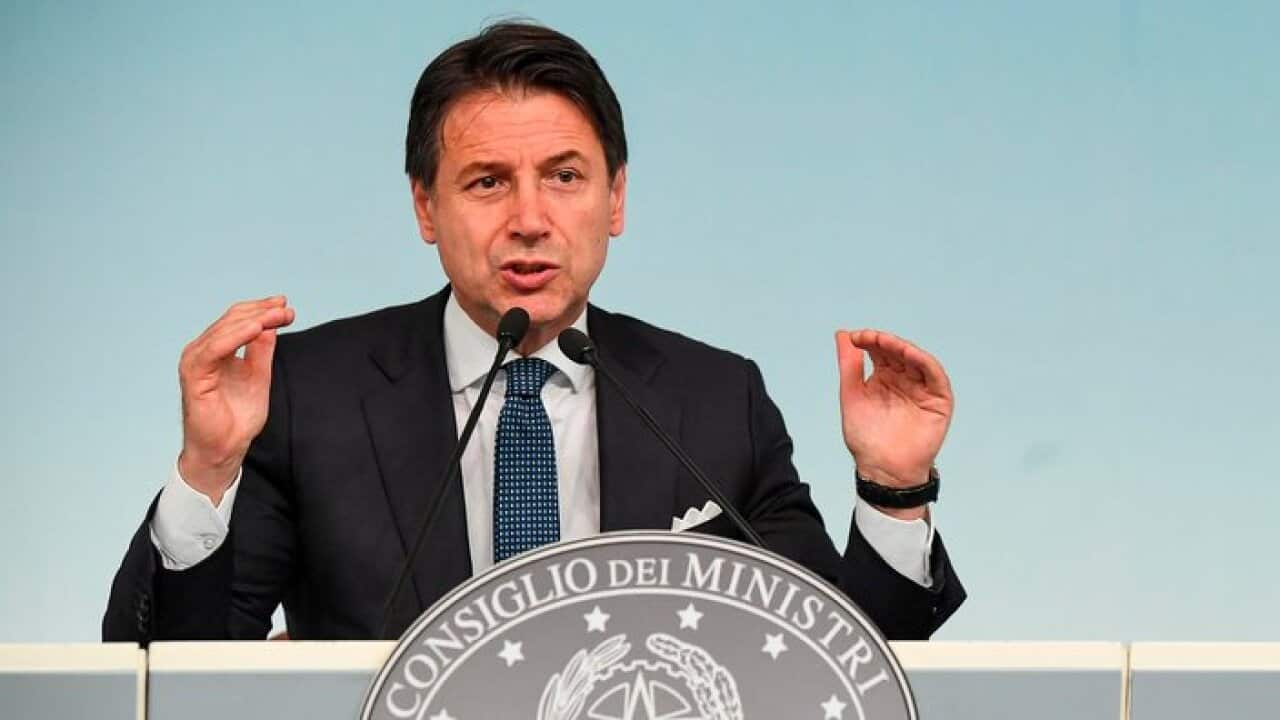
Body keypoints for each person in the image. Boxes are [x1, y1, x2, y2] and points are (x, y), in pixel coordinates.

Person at [103, 21, 965, 644]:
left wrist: (894, 489)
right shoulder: (312, 392)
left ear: (615, 199)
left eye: (564, 177)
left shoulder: (713, 399)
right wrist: (206, 472)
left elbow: (832, 658)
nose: (529, 219)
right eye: (486, 182)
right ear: (424, 208)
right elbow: (180, 668)